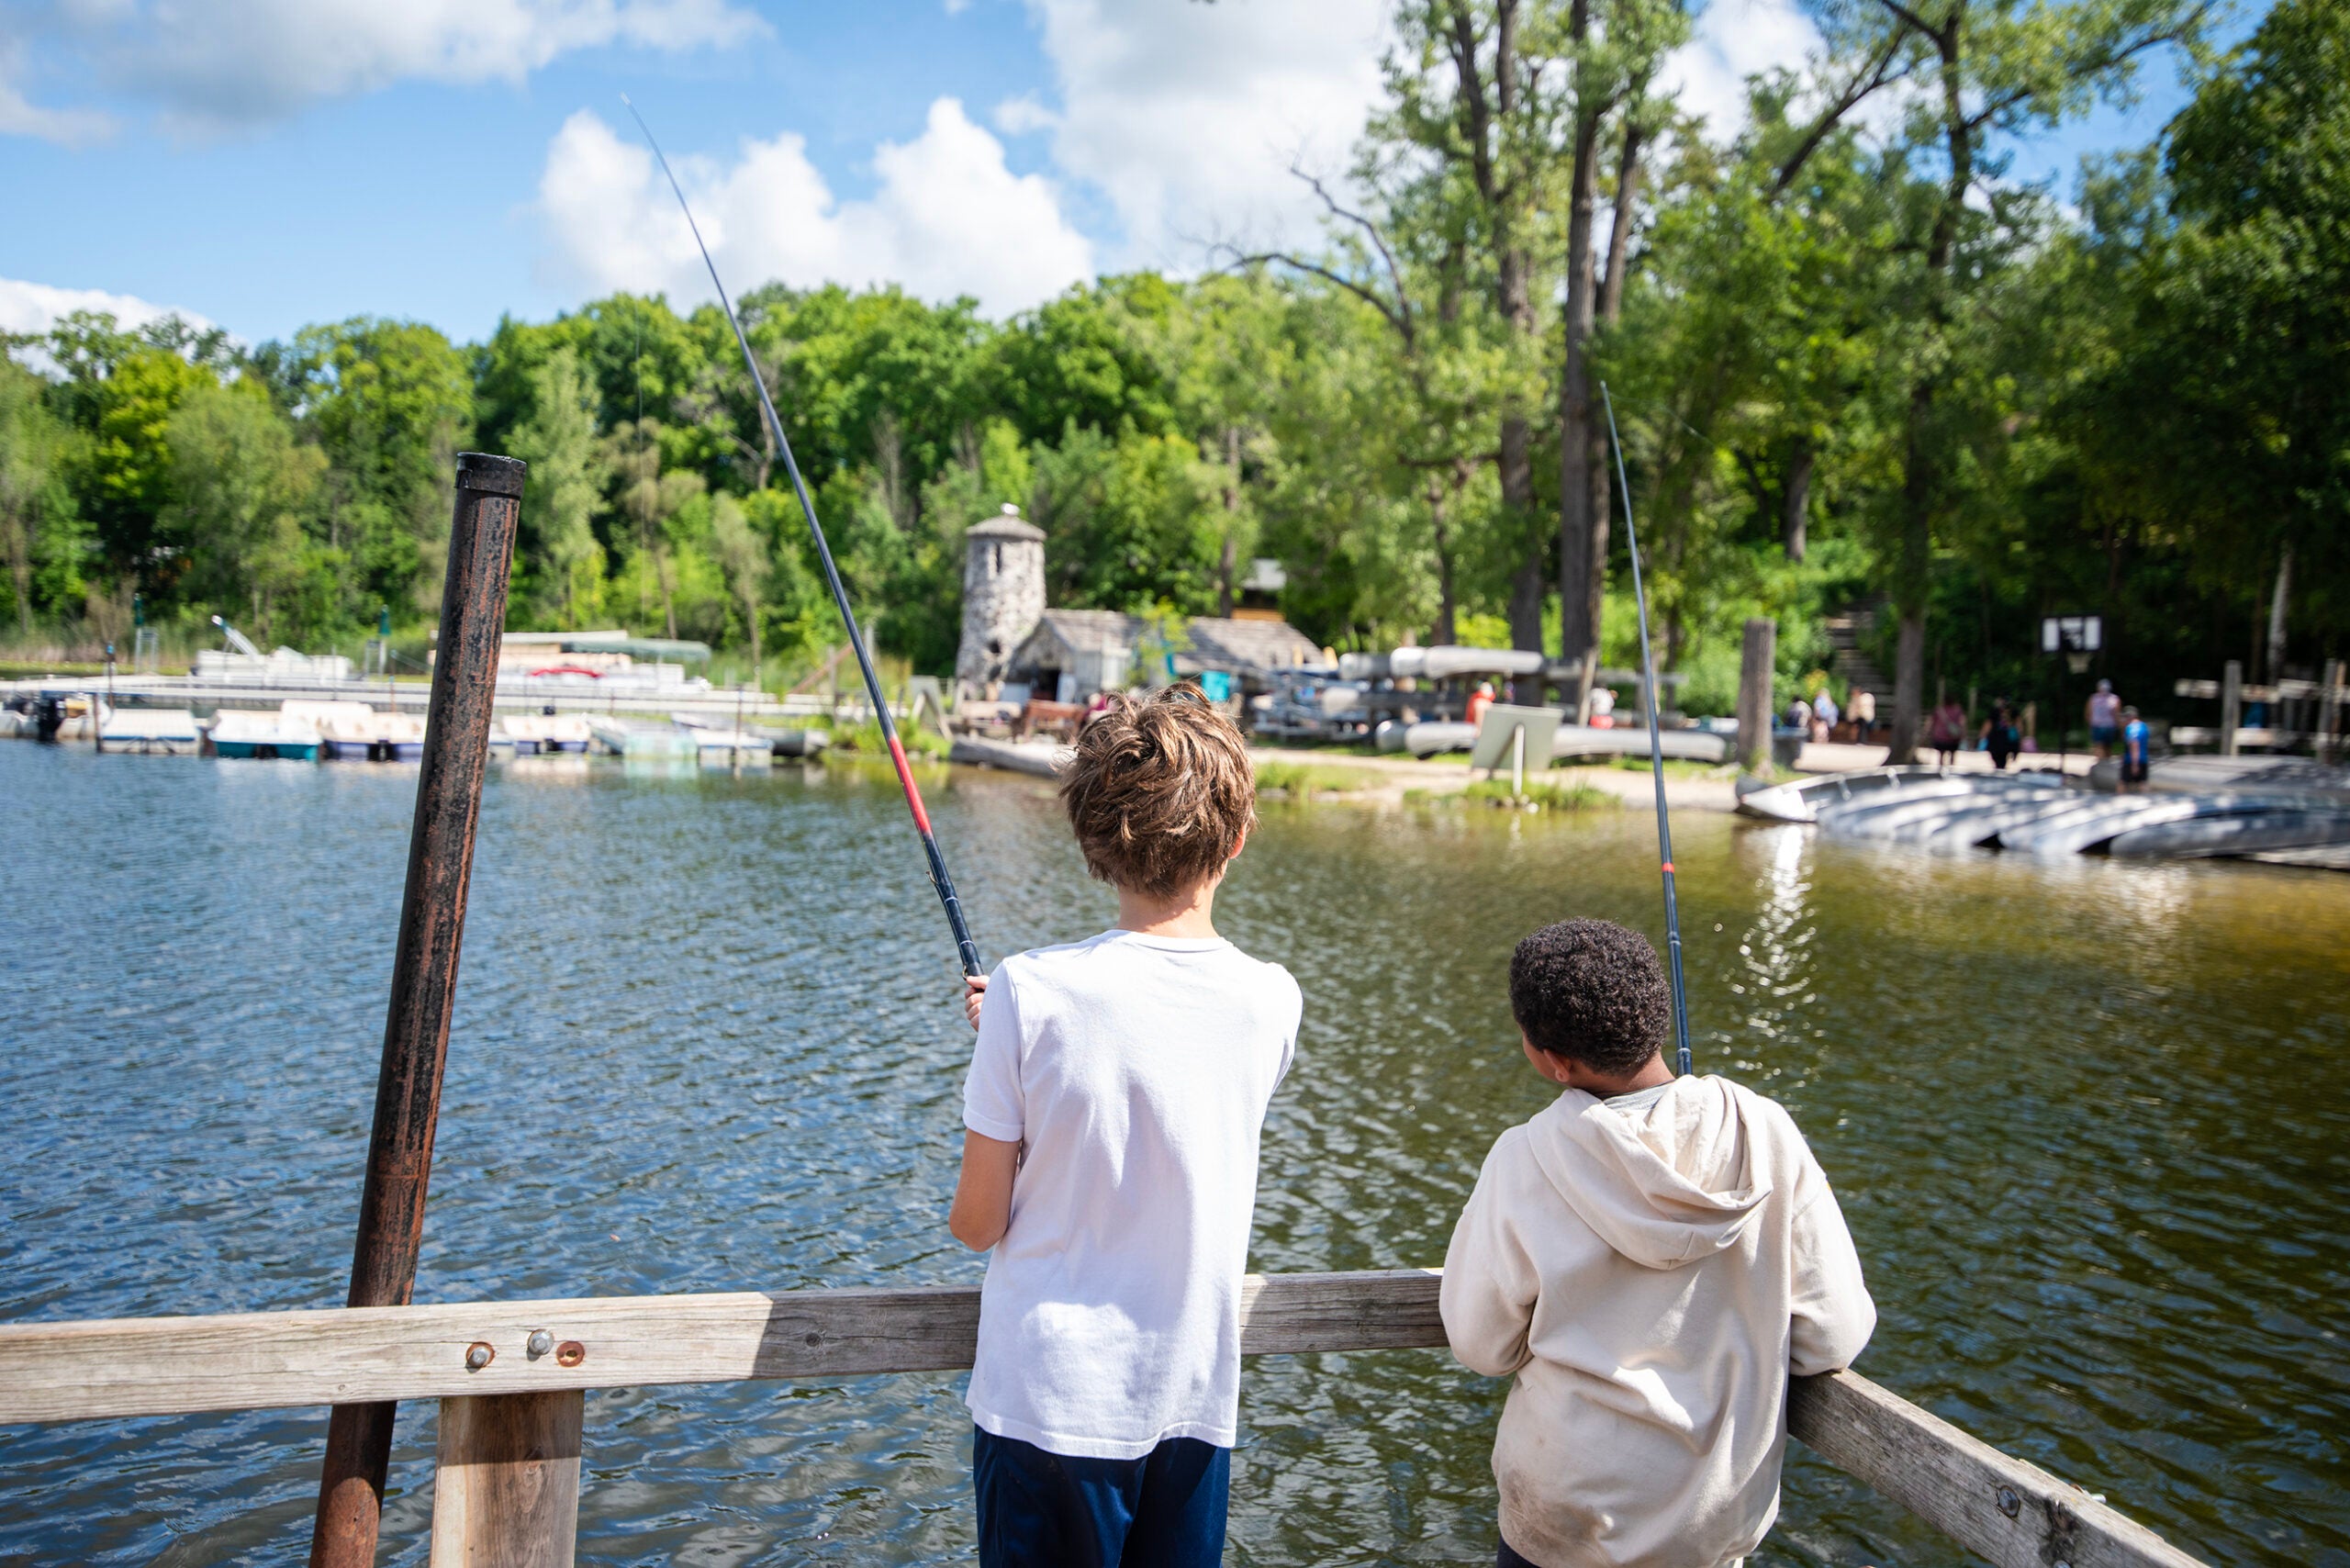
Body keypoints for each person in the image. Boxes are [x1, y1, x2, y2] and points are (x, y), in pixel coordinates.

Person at [952, 686, 1302, 1568]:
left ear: (1093, 843)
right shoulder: (1272, 1000)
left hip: (1048, 1405)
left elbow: (977, 1224)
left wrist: (1015, 1042)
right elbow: (1166, 1084)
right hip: (1190, 1401)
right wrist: (1025, 1035)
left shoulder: (1028, 993)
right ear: (1238, 838)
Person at [1442, 919, 1874, 1568]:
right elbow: (1833, 1337)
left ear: (1555, 1062)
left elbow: (1480, 1344)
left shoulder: (1524, 1158)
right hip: (1707, 1530)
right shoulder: (1767, 1133)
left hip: (1562, 1524)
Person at [2087, 679, 2121, 761]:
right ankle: (2100, 762)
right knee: (2099, 745)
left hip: (2108, 726)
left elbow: (2116, 713)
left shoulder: (2114, 699)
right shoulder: (2093, 698)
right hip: (2098, 725)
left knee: (2107, 746)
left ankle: (2105, 762)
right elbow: (2089, 712)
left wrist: (2118, 724)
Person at [1929, 696, 1966, 767]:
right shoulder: (1958, 711)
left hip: (1940, 738)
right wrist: (1963, 734)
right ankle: (1951, 768)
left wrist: (1928, 732)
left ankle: (1941, 768)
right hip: (1953, 738)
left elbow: (1931, 722)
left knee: (1941, 754)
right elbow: (1962, 723)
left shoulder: (1939, 710)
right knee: (1952, 754)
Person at [2120, 704, 2152, 790]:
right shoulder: (2144, 726)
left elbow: (2134, 744)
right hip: (2144, 760)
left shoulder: (2130, 728)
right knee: (2143, 783)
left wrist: (2135, 764)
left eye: (2125, 717)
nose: (2124, 720)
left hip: (2131, 760)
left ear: (2129, 717)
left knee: (2122, 784)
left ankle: (2119, 801)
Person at [1981, 700, 2019, 770]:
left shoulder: (1995, 711)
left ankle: (2000, 769)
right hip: (2008, 740)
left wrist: (1983, 735)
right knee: (2003, 758)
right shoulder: (2013, 710)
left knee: (1997, 759)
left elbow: (1988, 724)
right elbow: (2019, 725)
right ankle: (2002, 768)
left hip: (1996, 740)